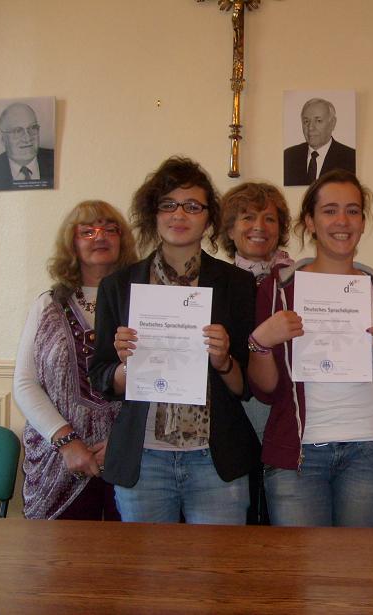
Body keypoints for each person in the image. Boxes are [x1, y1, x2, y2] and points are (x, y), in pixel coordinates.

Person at [89, 157, 261, 524]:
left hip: (216, 461)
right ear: (153, 213)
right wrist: (125, 366)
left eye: (192, 206)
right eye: (168, 204)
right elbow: (101, 377)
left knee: (217, 578)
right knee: (150, 579)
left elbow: (246, 385)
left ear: (209, 217)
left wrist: (224, 361)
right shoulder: (118, 286)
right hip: (144, 459)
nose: (179, 215)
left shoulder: (237, 284)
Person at [248, 169, 373, 527]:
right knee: (302, 577)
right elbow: (266, 390)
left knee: (359, 575)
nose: (342, 221)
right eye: (329, 210)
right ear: (309, 221)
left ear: (363, 220)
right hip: (298, 453)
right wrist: (260, 344)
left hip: (370, 449)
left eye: (353, 210)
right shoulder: (279, 290)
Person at [14, 200, 137, 519]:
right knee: (58, 563)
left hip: (128, 458)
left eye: (111, 229)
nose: (101, 236)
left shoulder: (143, 302)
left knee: (126, 561)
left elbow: (157, 383)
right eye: (88, 231)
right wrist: (66, 441)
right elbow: (25, 384)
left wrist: (122, 442)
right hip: (57, 460)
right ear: (72, 242)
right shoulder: (48, 305)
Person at [220, 181, 294, 524]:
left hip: (286, 411)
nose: (259, 227)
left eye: (269, 218)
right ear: (230, 229)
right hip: (235, 415)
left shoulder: (300, 280)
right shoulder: (216, 283)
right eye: (248, 217)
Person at [283, 98, 356, 186]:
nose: (310, 128)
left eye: (318, 121)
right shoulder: (289, 156)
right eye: (306, 121)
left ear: (332, 123)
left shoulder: (350, 157)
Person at [0, 102, 55, 190]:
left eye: (33, 128)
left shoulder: (53, 159)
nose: (27, 138)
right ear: (2, 139)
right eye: (17, 131)